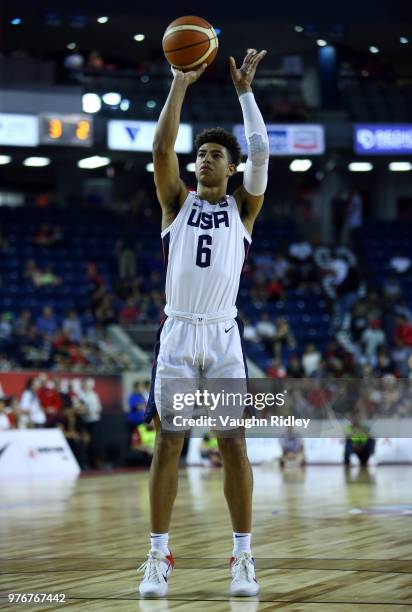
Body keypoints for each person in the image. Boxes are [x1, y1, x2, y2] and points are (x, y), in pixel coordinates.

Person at [138, 49, 269, 598]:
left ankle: (242, 558)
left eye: (214, 154)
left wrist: (244, 91)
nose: (203, 161)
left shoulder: (243, 209)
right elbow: (161, 147)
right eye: (201, 155)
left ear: (231, 166)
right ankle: (156, 556)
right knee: (168, 443)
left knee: (232, 445)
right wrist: (178, 83)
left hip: (220, 335)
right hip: (177, 333)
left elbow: (261, 150)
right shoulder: (176, 204)